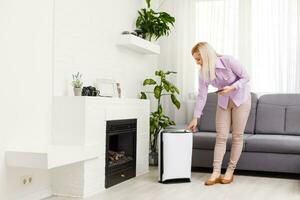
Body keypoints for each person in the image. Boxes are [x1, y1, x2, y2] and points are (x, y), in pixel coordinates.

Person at [186, 42, 251, 185]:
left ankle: (230, 170)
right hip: (223, 102)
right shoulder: (203, 73)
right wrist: (195, 118)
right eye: (195, 60)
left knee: (237, 136)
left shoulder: (228, 61)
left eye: (198, 59)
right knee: (221, 137)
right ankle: (215, 172)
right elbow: (202, 95)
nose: (197, 63)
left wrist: (232, 87)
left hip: (241, 99)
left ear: (206, 55)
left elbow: (246, 77)